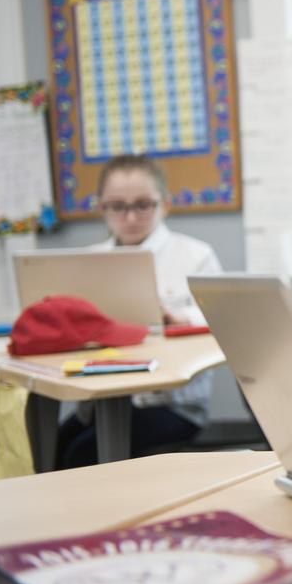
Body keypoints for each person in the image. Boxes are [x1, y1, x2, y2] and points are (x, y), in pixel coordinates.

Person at [55, 154, 223, 468]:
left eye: (143, 205)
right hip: (100, 400)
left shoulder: (196, 256)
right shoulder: (88, 261)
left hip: (171, 405)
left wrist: (180, 321)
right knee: (52, 447)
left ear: (165, 204)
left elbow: (222, 322)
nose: (130, 217)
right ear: (101, 207)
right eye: (118, 206)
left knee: (82, 455)